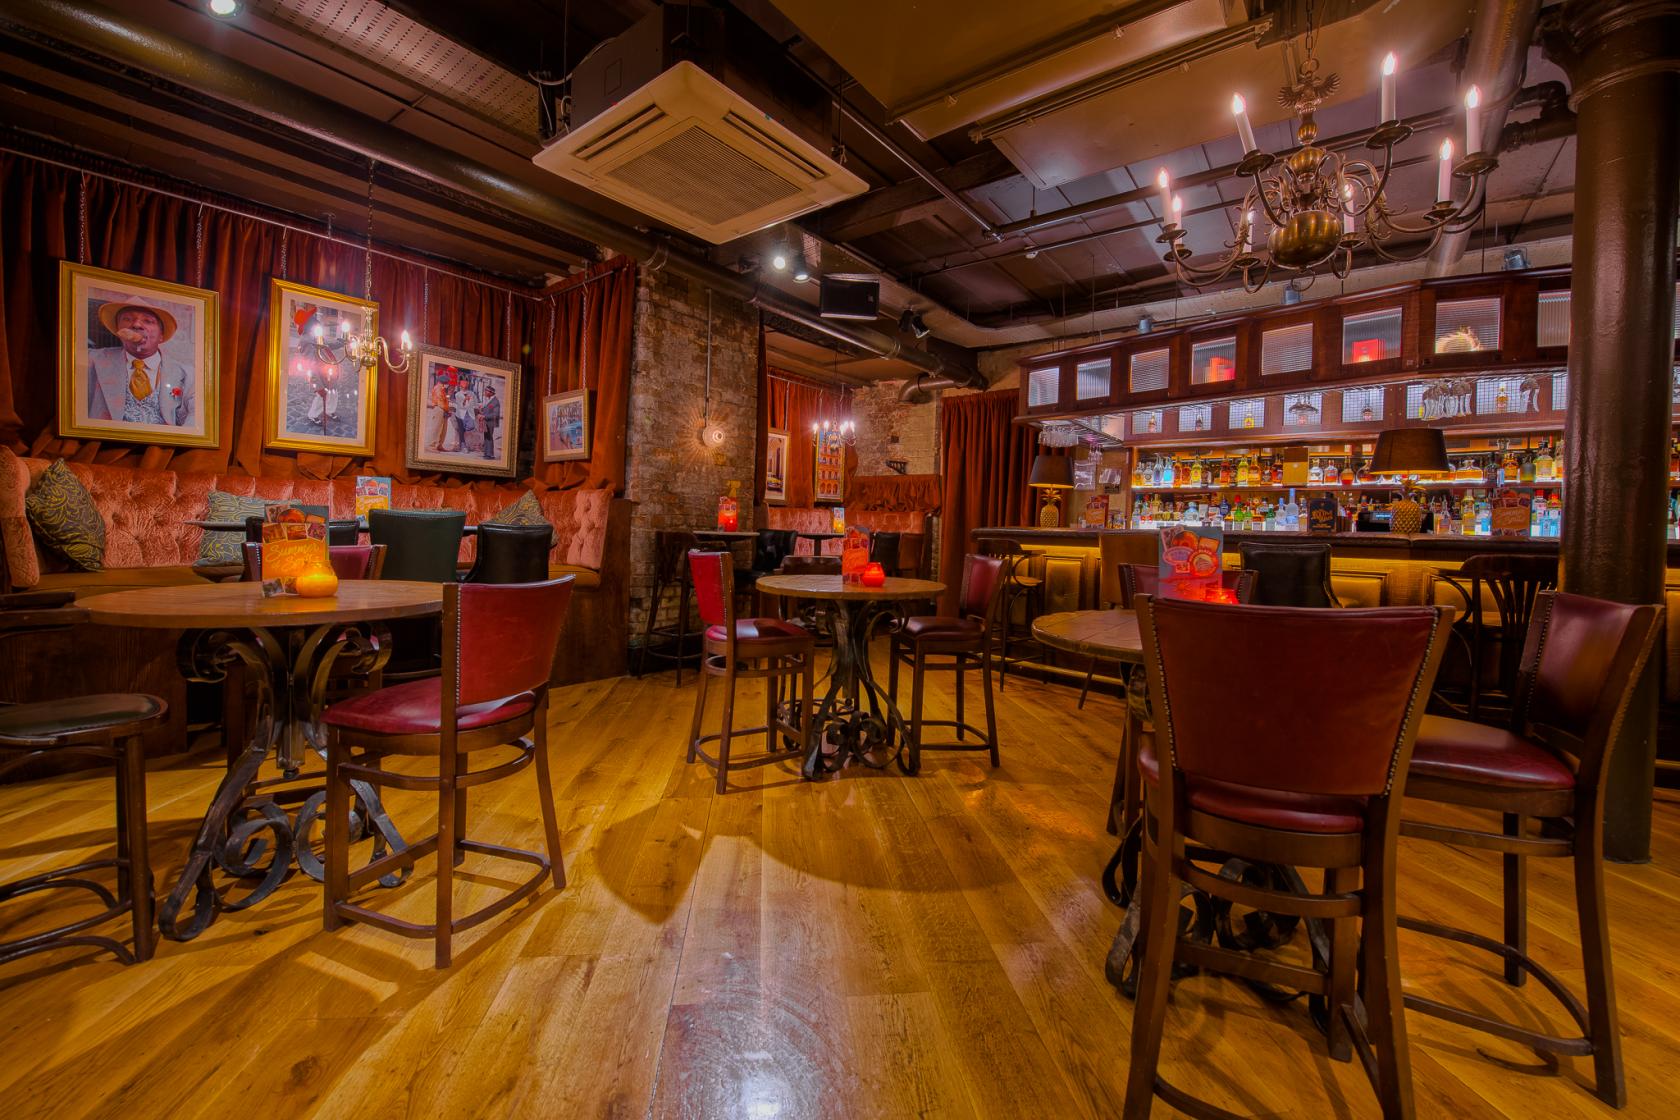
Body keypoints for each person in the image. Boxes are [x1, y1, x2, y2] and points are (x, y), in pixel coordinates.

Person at [86, 298, 193, 425]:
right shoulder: (92, 360)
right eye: (127, 319)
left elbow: (197, 417)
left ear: (161, 336)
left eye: (148, 321)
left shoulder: (187, 374)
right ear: (118, 330)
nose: (136, 325)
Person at [426, 369, 451, 451]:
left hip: (443, 410)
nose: (448, 384)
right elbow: (440, 402)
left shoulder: (442, 389)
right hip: (439, 409)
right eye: (447, 383)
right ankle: (431, 446)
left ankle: (439, 445)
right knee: (436, 428)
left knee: (443, 429)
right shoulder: (438, 389)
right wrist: (447, 410)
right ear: (444, 382)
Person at [478, 381, 501, 460]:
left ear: (491, 393)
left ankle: (490, 455)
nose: (484, 392)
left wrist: (485, 416)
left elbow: (496, 414)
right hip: (486, 421)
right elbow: (488, 409)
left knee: (489, 437)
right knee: (486, 437)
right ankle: (486, 453)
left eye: (486, 391)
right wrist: (482, 410)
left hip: (491, 422)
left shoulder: (495, 402)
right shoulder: (489, 400)